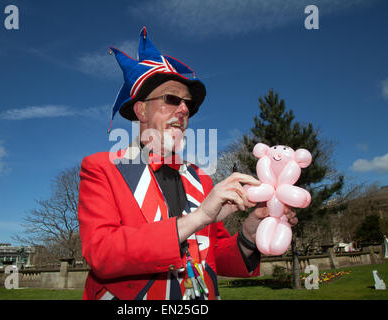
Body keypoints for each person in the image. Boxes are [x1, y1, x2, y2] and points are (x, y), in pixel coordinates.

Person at [77, 27, 298, 300]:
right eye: (171, 99)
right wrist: (200, 217)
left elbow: (212, 259)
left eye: (188, 105)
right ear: (141, 110)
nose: (184, 110)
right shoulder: (102, 168)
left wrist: (250, 234)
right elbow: (102, 254)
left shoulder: (201, 179)